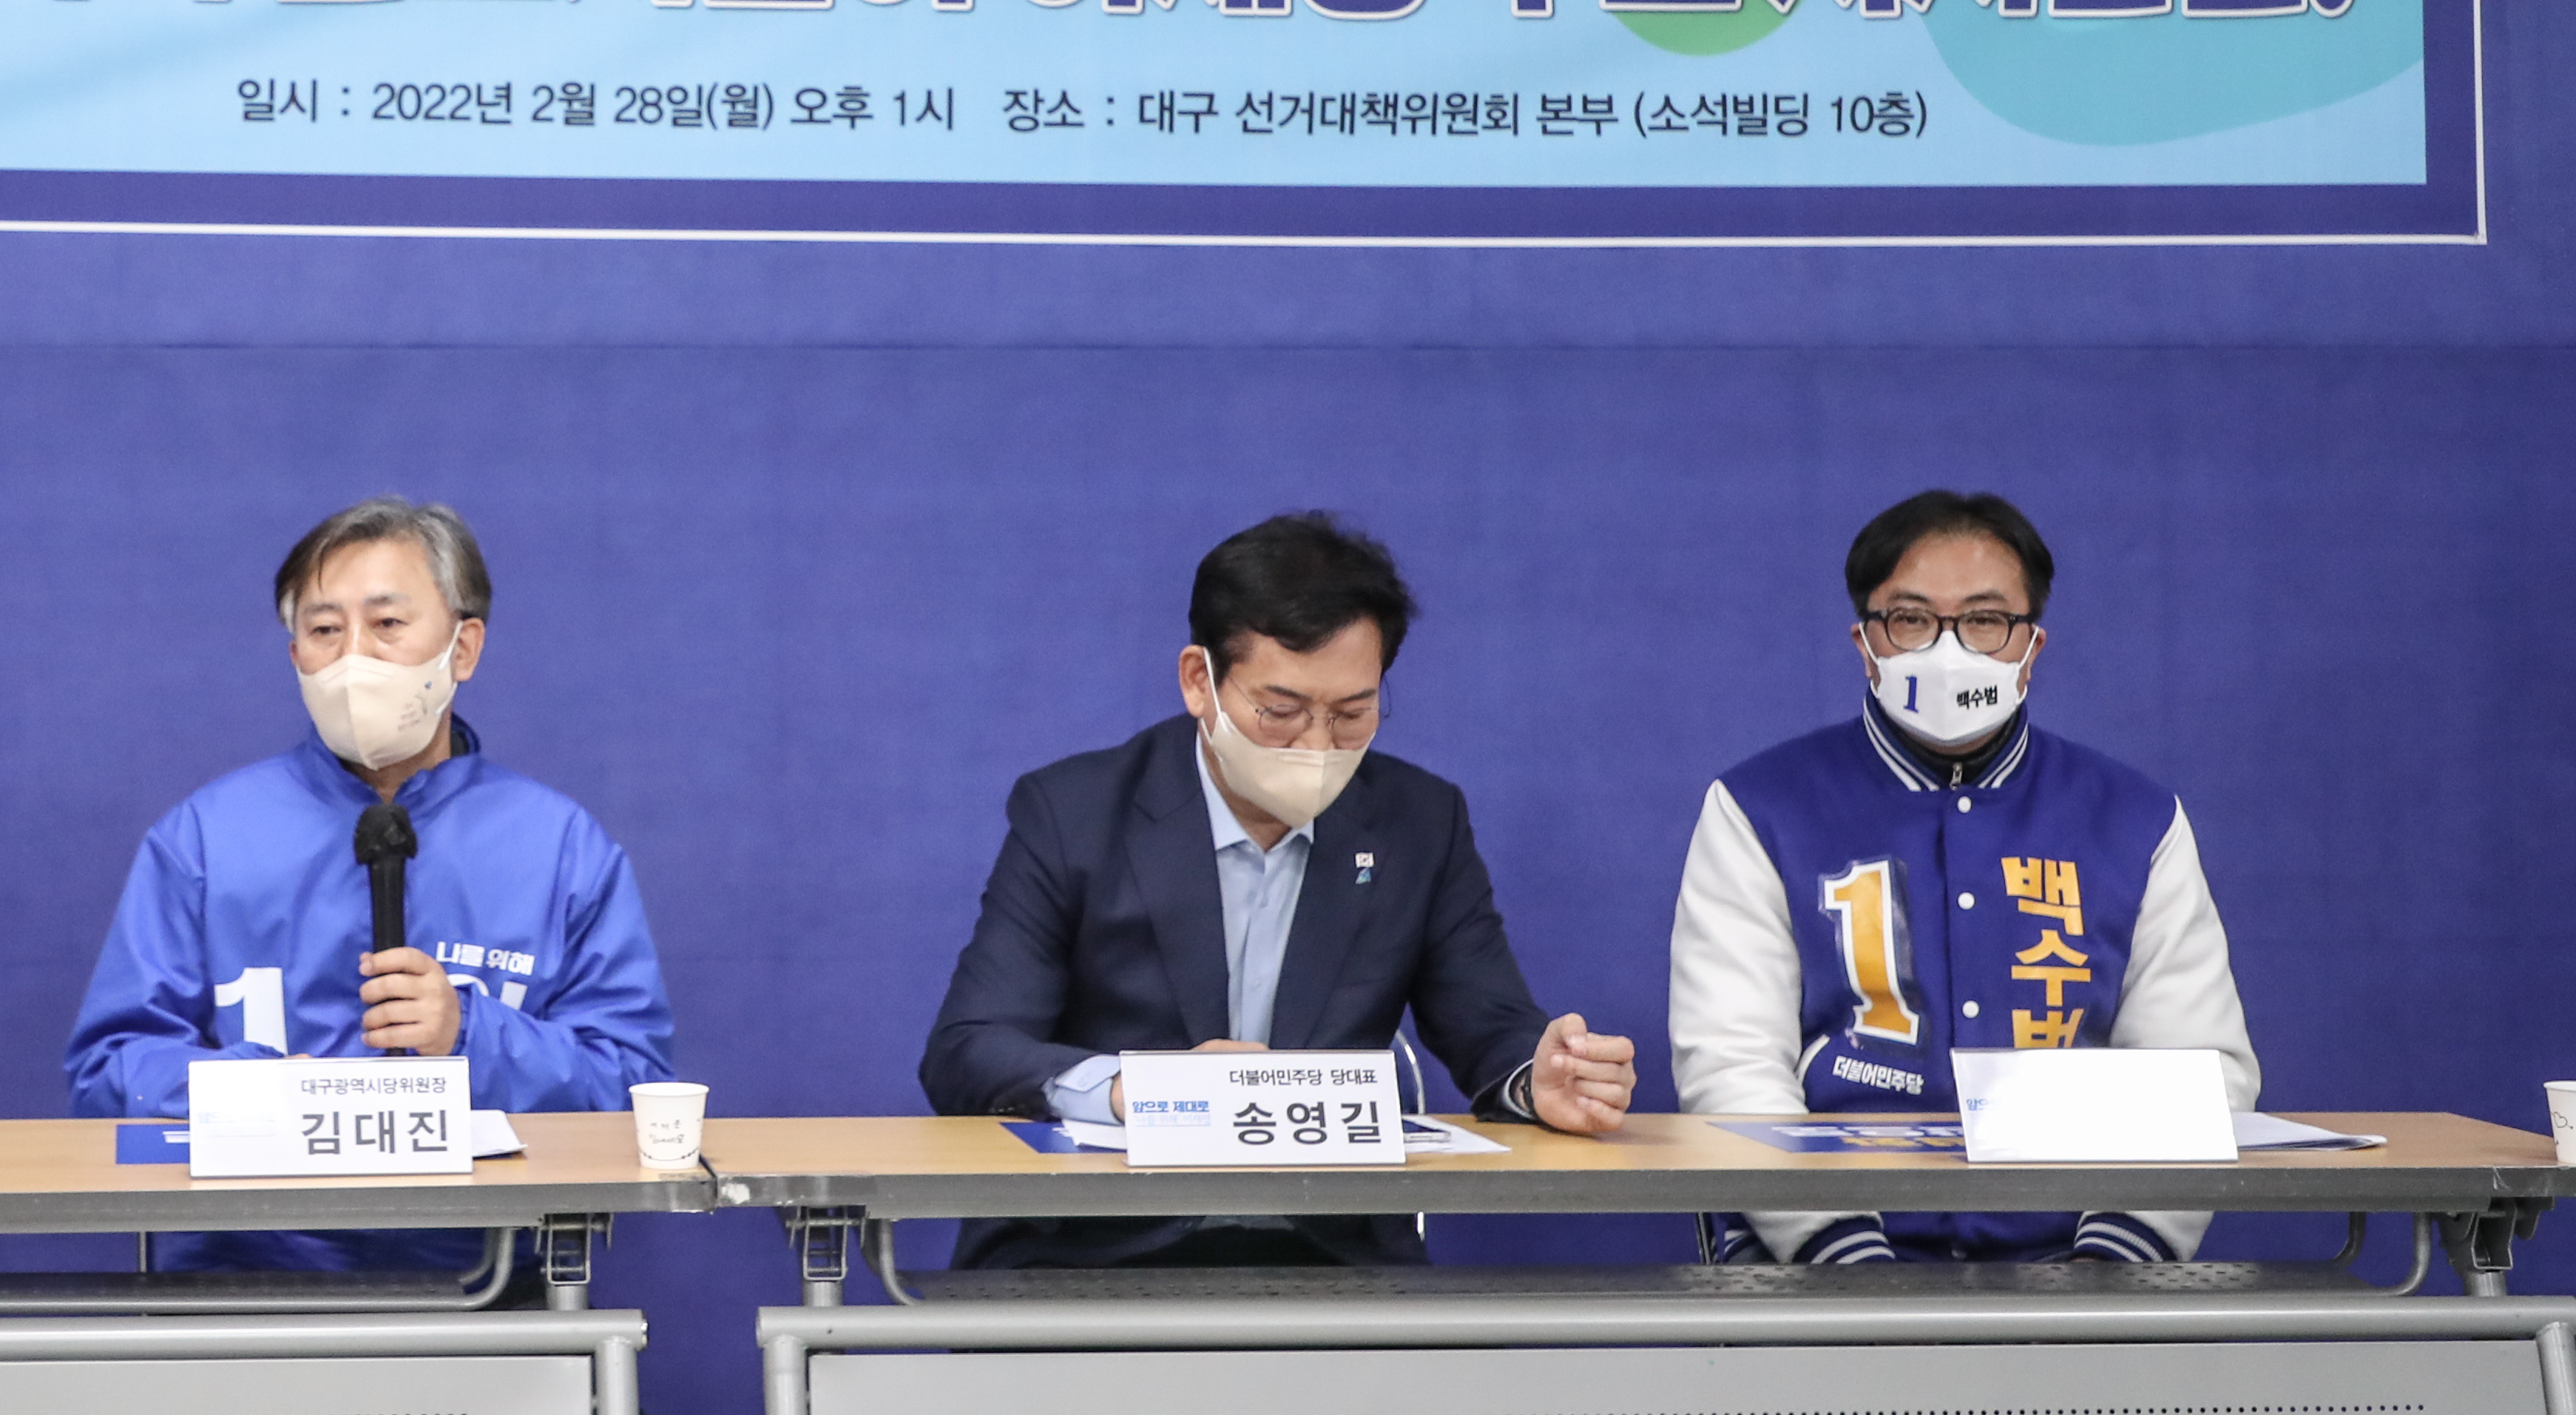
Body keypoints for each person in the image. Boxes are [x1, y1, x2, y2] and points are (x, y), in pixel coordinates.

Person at [922, 511, 1639, 1269]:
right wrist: (1136, 1089)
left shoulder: (1420, 823)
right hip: (1093, 1248)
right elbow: (969, 1048)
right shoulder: (1074, 813)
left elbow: (1490, 1026)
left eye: (1352, 714)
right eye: (1282, 711)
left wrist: (1540, 1079)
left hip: (1328, 1256)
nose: (1318, 746)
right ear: (1199, 681)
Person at [67, 498, 675, 1276]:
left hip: (493, 1288)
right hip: (240, 1281)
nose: (353, 658)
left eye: (387, 623)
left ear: (463, 647)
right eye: (325, 630)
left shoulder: (562, 848)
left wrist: (471, 1034)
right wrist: (246, 1089)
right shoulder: (204, 839)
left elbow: (636, 1091)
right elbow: (108, 1074)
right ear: (295, 654)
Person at [1669, 490, 2255, 1265]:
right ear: (1865, 642)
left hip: (2082, 1272)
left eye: (1985, 620)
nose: (1949, 651)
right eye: (1912, 618)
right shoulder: (1760, 806)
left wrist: (2114, 1263)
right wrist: (1839, 1254)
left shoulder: (2134, 818)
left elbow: (2199, 1070)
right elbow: (1731, 1062)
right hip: (1814, 1271)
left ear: (2032, 646)